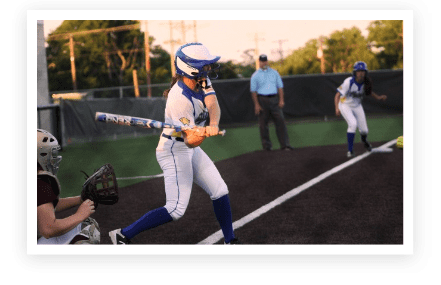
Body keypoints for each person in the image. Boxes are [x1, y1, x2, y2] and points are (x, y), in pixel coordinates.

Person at [109, 42, 241, 245]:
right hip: (173, 150)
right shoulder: (178, 99)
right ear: (189, 68)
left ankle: (230, 241)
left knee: (220, 190)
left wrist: (212, 123)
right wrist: (202, 133)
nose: (207, 69)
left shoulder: (202, 80)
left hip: (186, 146)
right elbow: (190, 142)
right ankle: (122, 235)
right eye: (203, 65)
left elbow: (212, 103)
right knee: (175, 209)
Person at [37, 129, 100, 244]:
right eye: (49, 153)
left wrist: (80, 199)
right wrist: (79, 215)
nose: (53, 158)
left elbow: (45, 205)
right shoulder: (40, 182)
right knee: (87, 230)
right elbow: (48, 229)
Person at [334, 61, 387, 157]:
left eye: (363, 71)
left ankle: (364, 140)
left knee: (364, 131)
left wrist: (378, 97)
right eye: (359, 71)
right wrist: (337, 108)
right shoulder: (348, 82)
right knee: (353, 124)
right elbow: (337, 95)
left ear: (365, 72)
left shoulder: (366, 82)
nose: (361, 73)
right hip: (345, 105)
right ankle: (350, 151)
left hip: (357, 106)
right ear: (355, 72)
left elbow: (369, 92)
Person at [250, 54, 293, 151]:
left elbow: (280, 87)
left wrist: (281, 100)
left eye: (265, 61)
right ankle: (267, 147)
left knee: (280, 121)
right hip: (262, 99)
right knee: (263, 124)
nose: (264, 63)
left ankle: (285, 145)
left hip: (274, 99)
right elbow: (253, 91)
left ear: (267, 61)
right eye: (262, 61)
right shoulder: (255, 75)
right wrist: (256, 105)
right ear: (259, 62)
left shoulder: (274, 73)